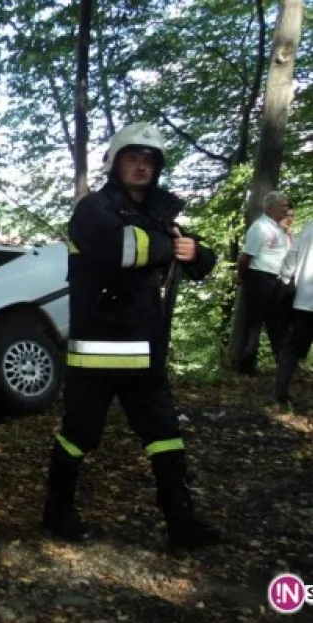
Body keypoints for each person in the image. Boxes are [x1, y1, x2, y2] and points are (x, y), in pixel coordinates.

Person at [42, 122, 222, 549]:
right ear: (115, 162)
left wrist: (196, 251)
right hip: (97, 352)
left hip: (145, 350)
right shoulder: (93, 210)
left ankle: (182, 523)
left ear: (157, 168)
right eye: (132, 158)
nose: (140, 167)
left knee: (165, 435)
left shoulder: (159, 214)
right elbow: (121, 248)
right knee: (79, 435)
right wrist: (168, 245)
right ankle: (56, 511)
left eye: (148, 161)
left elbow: (197, 258)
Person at [235, 192, 293, 375]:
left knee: (278, 323)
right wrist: (241, 275)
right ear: (270, 207)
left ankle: (283, 366)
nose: (286, 209)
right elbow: (245, 257)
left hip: (278, 281)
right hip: (260, 278)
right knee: (254, 323)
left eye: (286, 205)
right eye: (282, 206)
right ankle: (246, 366)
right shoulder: (259, 227)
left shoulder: (278, 229)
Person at [273, 217, 313, 412]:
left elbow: (292, 255)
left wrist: (287, 279)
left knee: (293, 347)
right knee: (293, 347)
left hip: (304, 298)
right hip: (305, 299)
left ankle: (279, 394)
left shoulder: (309, 226)